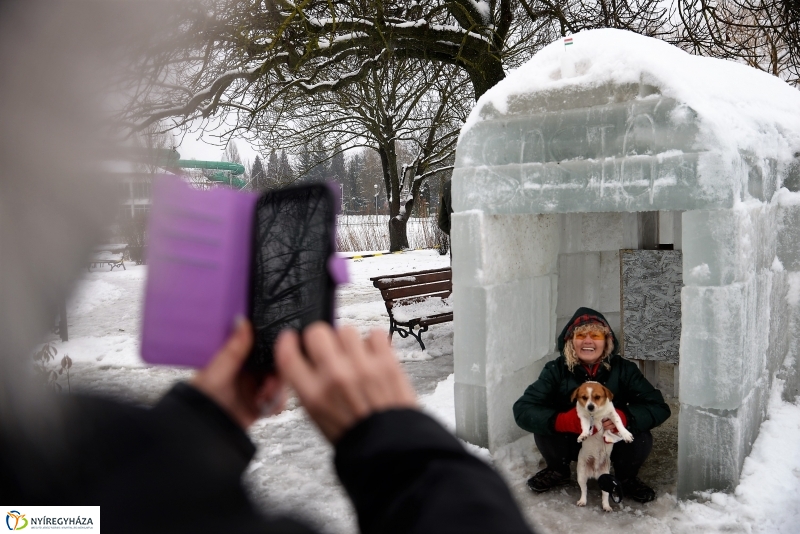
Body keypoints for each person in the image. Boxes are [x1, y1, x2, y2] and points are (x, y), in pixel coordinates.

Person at [0, 3, 533, 533]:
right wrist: (400, 445)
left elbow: (78, 514)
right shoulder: (52, 453)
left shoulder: (42, 463)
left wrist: (205, 418)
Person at [513, 307, 671, 503]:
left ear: (606, 341)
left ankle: (626, 478)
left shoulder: (624, 369)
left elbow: (658, 407)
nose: (588, 341)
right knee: (546, 427)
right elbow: (523, 408)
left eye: (595, 335)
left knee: (640, 436)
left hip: (610, 440)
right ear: (571, 341)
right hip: (572, 439)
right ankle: (558, 470)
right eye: (581, 335)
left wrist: (625, 418)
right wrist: (562, 421)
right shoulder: (556, 370)